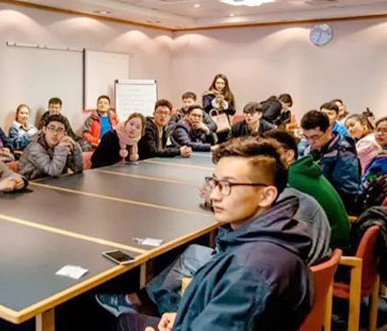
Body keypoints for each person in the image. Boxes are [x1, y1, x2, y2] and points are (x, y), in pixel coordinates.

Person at [112, 136, 313, 331]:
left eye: (227, 186)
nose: (215, 195)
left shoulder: (249, 273)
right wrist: (187, 316)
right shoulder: (270, 241)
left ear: (266, 195)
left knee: (123, 321)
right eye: (215, 183)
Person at [265, 130, 349, 248]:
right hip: (338, 241)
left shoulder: (290, 180)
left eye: (267, 155)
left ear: (289, 155)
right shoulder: (302, 170)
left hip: (331, 248)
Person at [300, 110, 362, 214]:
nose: (310, 142)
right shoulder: (312, 148)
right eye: (306, 137)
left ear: (328, 130)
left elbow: (348, 193)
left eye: (315, 137)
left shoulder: (344, 154)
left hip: (334, 209)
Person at [18, 114, 84, 180]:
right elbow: (53, 171)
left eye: (60, 130)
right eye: (52, 129)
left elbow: (78, 169)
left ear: (65, 134)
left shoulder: (62, 145)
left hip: (55, 183)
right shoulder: (34, 148)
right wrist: (61, 149)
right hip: (32, 183)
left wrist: (75, 146)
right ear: (44, 130)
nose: (55, 133)